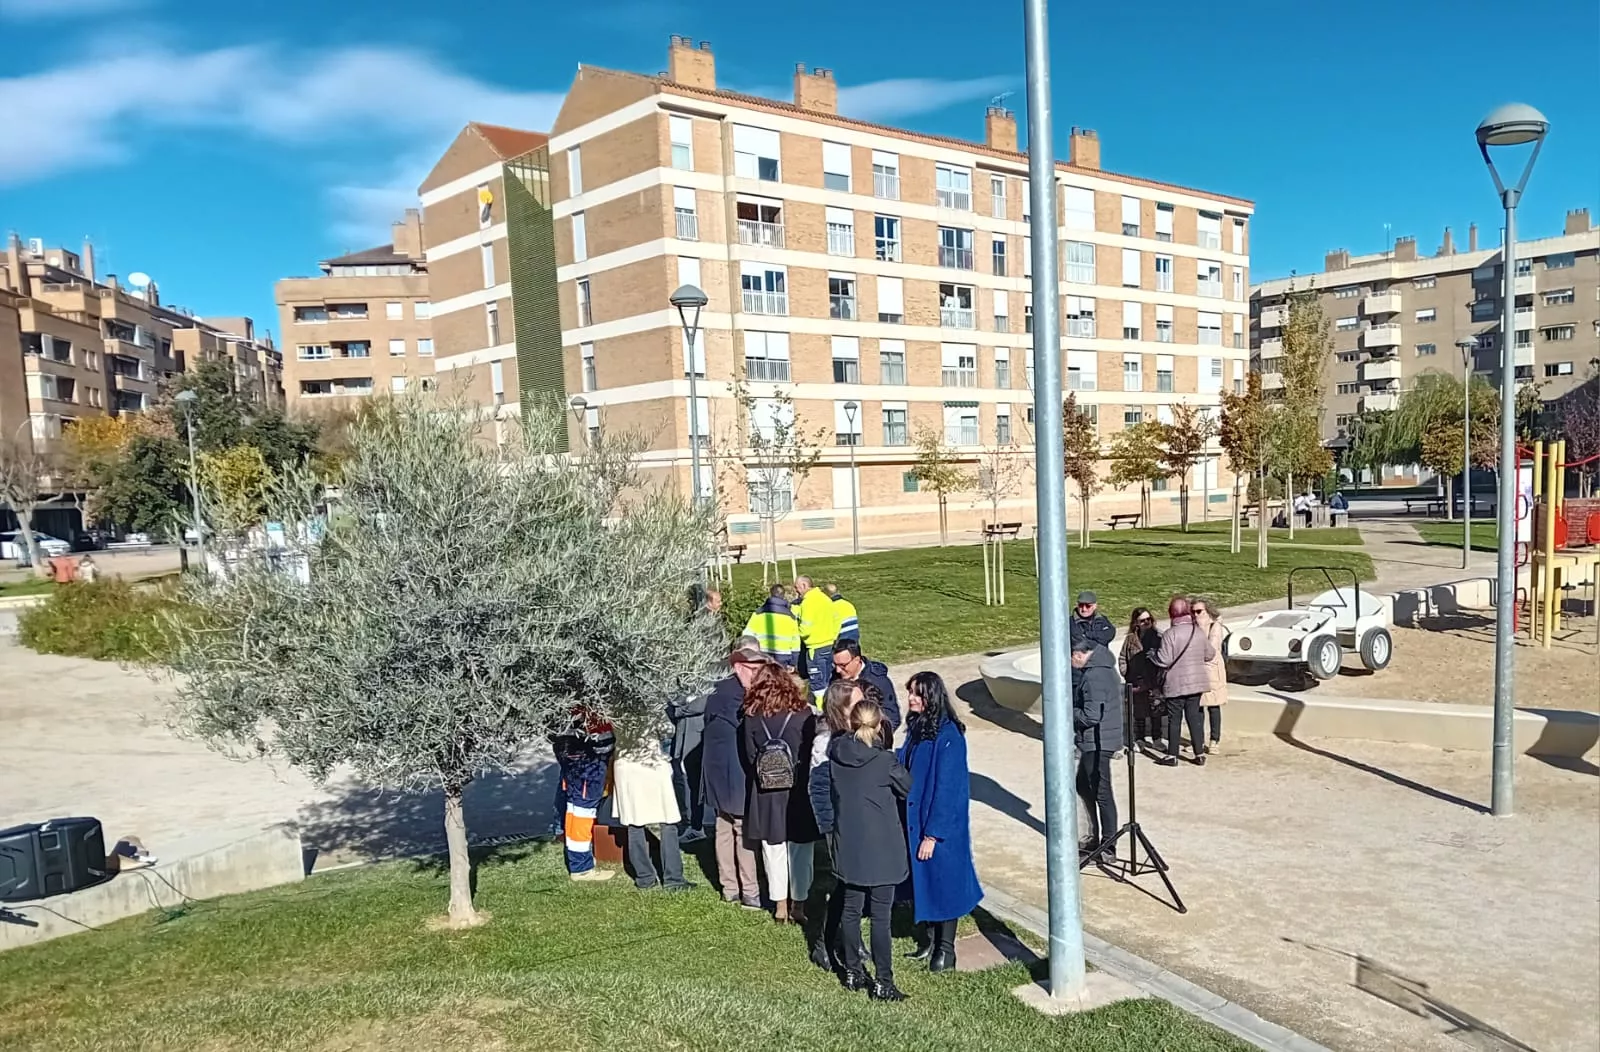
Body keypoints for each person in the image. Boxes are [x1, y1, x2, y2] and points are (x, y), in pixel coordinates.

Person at [828, 697, 912, 1001]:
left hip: (849, 841)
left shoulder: (836, 754)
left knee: (851, 909)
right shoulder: (884, 762)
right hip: (882, 847)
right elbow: (908, 787)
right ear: (878, 725)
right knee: (880, 916)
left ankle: (852, 971)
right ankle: (883, 982)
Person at [900, 671, 983, 974]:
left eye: (917, 694)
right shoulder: (918, 728)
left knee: (944, 883)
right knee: (925, 882)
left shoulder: (949, 737)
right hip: (916, 819)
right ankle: (929, 940)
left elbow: (949, 789)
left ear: (931, 697)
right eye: (910, 692)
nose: (911, 699)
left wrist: (933, 835)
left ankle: (946, 950)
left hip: (940, 827)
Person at [740, 662, 820, 923]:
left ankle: (780, 906)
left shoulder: (751, 716)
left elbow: (749, 756)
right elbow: (810, 753)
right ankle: (799, 905)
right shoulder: (804, 713)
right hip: (798, 789)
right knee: (801, 851)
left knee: (772, 850)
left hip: (765, 791)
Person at [704, 642, 764, 907]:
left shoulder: (720, 688)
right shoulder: (738, 697)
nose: (759, 675)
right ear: (738, 667)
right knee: (742, 829)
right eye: (754, 669)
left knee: (724, 827)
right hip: (735, 771)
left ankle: (729, 887)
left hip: (717, 770)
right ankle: (750, 890)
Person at [809, 677, 862, 971]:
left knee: (856, 885)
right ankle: (823, 944)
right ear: (841, 708)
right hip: (837, 825)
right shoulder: (825, 741)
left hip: (856, 823)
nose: (866, 706)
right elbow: (817, 789)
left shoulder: (857, 734)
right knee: (839, 885)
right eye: (858, 702)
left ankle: (853, 940)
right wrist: (829, 827)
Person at [612, 733, 691, 891]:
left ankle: (644, 878)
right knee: (668, 821)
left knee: (634, 823)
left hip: (625, 764)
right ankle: (673, 879)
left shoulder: (614, 715)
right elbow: (667, 730)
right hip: (651, 763)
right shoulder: (652, 714)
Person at [550, 707, 617, 882]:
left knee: (574, 809)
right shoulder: (588, 706)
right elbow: (603, 743)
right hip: (588, 762)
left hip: (570, 758)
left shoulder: (562, 706)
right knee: (583, 812)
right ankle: (582, 868)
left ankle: (578, 859)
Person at [1148, 596, 1216, 767]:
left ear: (1171, 613)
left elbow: (1164, 660)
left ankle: (1172, 756)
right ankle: (1199, 754)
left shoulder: (1170, 634)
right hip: (1196, 682)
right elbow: (1210, 654)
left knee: (1174, 719)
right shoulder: (1197, 631)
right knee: (1194, 718)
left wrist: (1153, 655)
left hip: (1175, 684)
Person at [1072, 639, 1124, 862]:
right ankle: (1094, 836)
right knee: (1083, 785)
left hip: (1098, 742)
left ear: (1080, 654)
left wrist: (1069, 711)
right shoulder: (1104, 669)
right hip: (1099, 740)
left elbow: (1091, 716)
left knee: (1101, 792)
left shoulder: (1094, 676)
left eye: (1071, 656)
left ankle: (1108, 845)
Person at [830, 638, 902, 733]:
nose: (838, 670)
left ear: (857, 660)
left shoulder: (878, 681)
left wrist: (872, 737)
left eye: (843, 665)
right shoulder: (835, 677)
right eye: (835, 665)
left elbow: (893, 719)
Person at [1118, 607, 1162, 748]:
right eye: (1142, 620)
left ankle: (1157, 739)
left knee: (1156, 710)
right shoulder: (1130, 639)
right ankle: (1140, 738)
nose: (1146, 623)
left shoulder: (1158, 636)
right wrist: (1126, 672)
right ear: (1136, 622)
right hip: (1136, 680)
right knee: (1139, 712)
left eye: (1149, 619)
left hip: (1153, 680)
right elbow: (1122, 657)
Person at [794, 575, 840, 702]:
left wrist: (796, 633)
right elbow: (837, 619)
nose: (796, 591)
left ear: (804, 585)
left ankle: (820, 707)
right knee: (827, 676)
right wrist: (833, 636)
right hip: (829, 645)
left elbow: (805, 629)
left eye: (797, 587)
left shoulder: (807, 603)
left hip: (815, 647)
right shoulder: (825, 598)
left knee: (817, 681)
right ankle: (830, 702)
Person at [1193, 598, 1229, 753]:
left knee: (1214, 706)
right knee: (1197, 706)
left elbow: (1211, 649)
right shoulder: (1193, 626)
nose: (1196, 615)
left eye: (1199, 611)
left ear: (1207, 611)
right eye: (1193, 612)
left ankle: (1214, 740)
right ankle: (1199, 740)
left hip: (1212, 670)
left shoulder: (1215, 626)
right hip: (1198, 669)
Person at [743, 585, 801, 669]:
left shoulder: (758, 613)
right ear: (783, 595)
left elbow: (747, 635)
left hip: (762, 655)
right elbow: (795, 642)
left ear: (771, 594)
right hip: (783, 657)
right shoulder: (791, 617)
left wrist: (750, 656)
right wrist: (793, 662)